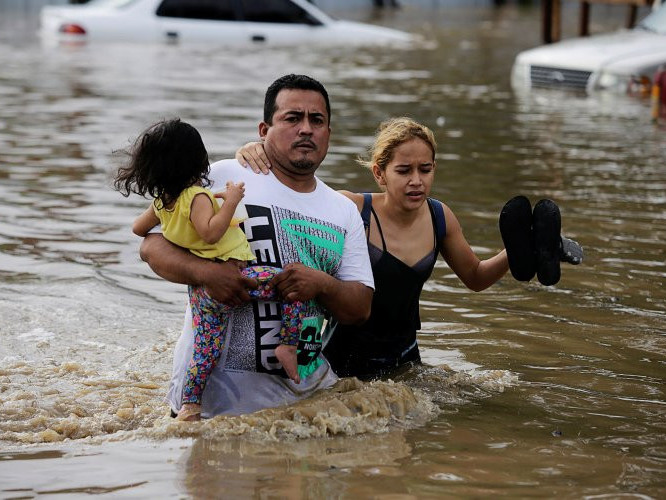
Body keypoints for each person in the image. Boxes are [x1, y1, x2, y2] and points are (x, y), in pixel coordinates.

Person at [236, 116, 582, 380]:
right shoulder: (350, 208)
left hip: (405, 361)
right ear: (379, 173)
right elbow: (293, 200)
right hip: (342, 361)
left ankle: (541, 243)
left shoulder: (439, 216)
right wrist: (255, 152)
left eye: (425, 169)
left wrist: (519, 249)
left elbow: (475, 277)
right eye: (404, 170)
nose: (417, 180)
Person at [137, 75, 374, 418]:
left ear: (328, 135)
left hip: (302, 406)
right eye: (292, 118)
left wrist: (320, 283)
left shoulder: (343, 211)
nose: (306, 129)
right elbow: (150, 247)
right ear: (264, 130)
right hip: (211, 407)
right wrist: (208, 273)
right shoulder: (222, 177)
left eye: (317, 120)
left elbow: (359, 308)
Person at [114, 118, 309, 421]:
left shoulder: (162, 202)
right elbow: (211, 232)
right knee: (293, 286)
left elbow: (139, 229)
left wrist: (181, 230)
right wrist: (230, 201)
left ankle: (190, 405)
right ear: (197, 161)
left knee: (205, 350)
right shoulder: (197, 196)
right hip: (236, 276)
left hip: (201, 291)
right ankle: (287, 346)